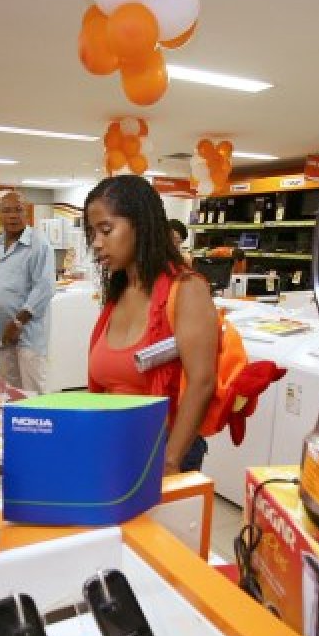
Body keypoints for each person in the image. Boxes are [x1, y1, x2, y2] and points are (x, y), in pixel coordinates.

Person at [86, 175, 219, 474]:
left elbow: (202, 382)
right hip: (116, 447)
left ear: (141, 225)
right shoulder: (118, 294)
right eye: (92, 233)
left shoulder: (186, 290)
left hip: (164, 452)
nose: (96, 243)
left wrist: (169, 462)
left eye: (106, 230)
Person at [0, 191, 55, 394]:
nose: (13, 216)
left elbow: (45, 287)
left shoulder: (38, 244)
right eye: (6, 211)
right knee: (10, 393)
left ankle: (43, 426)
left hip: (27, 333)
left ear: (27, 214)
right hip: (3, 333)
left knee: (34, 394)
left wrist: (18, 323)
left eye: (18, 210)